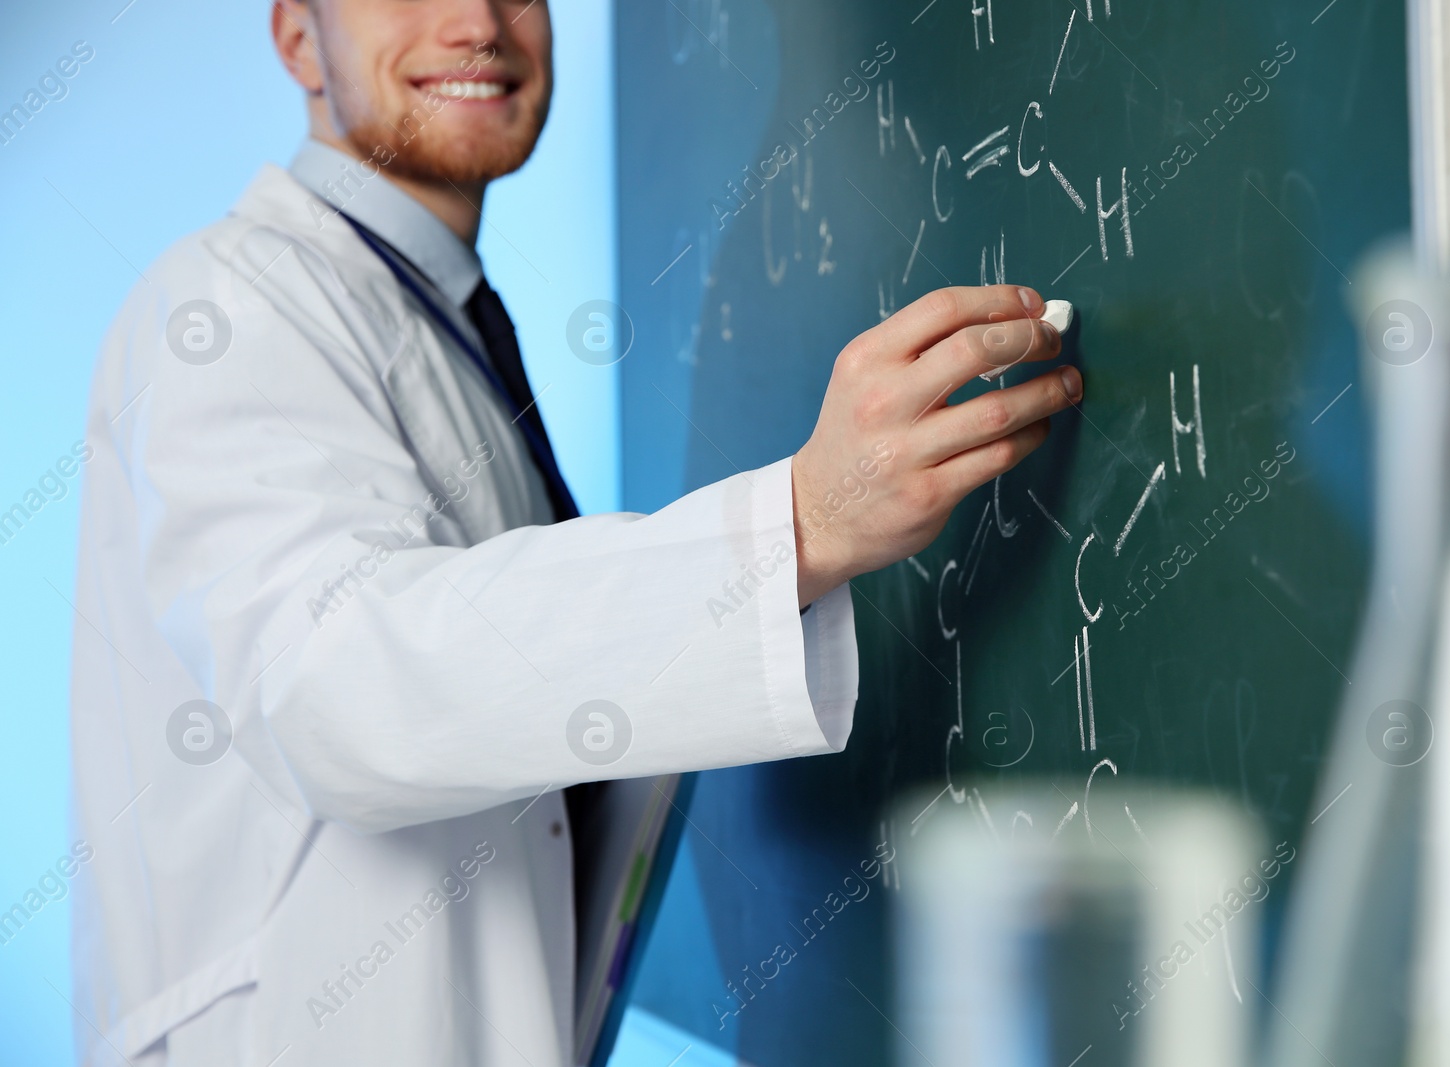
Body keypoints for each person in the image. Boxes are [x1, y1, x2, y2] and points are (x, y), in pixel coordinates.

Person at [68, 1, 1083, 1063]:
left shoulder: (435, 321)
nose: (475, 21)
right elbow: (332, 677)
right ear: (294, 39)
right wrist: (801, 523)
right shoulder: (227, 302)